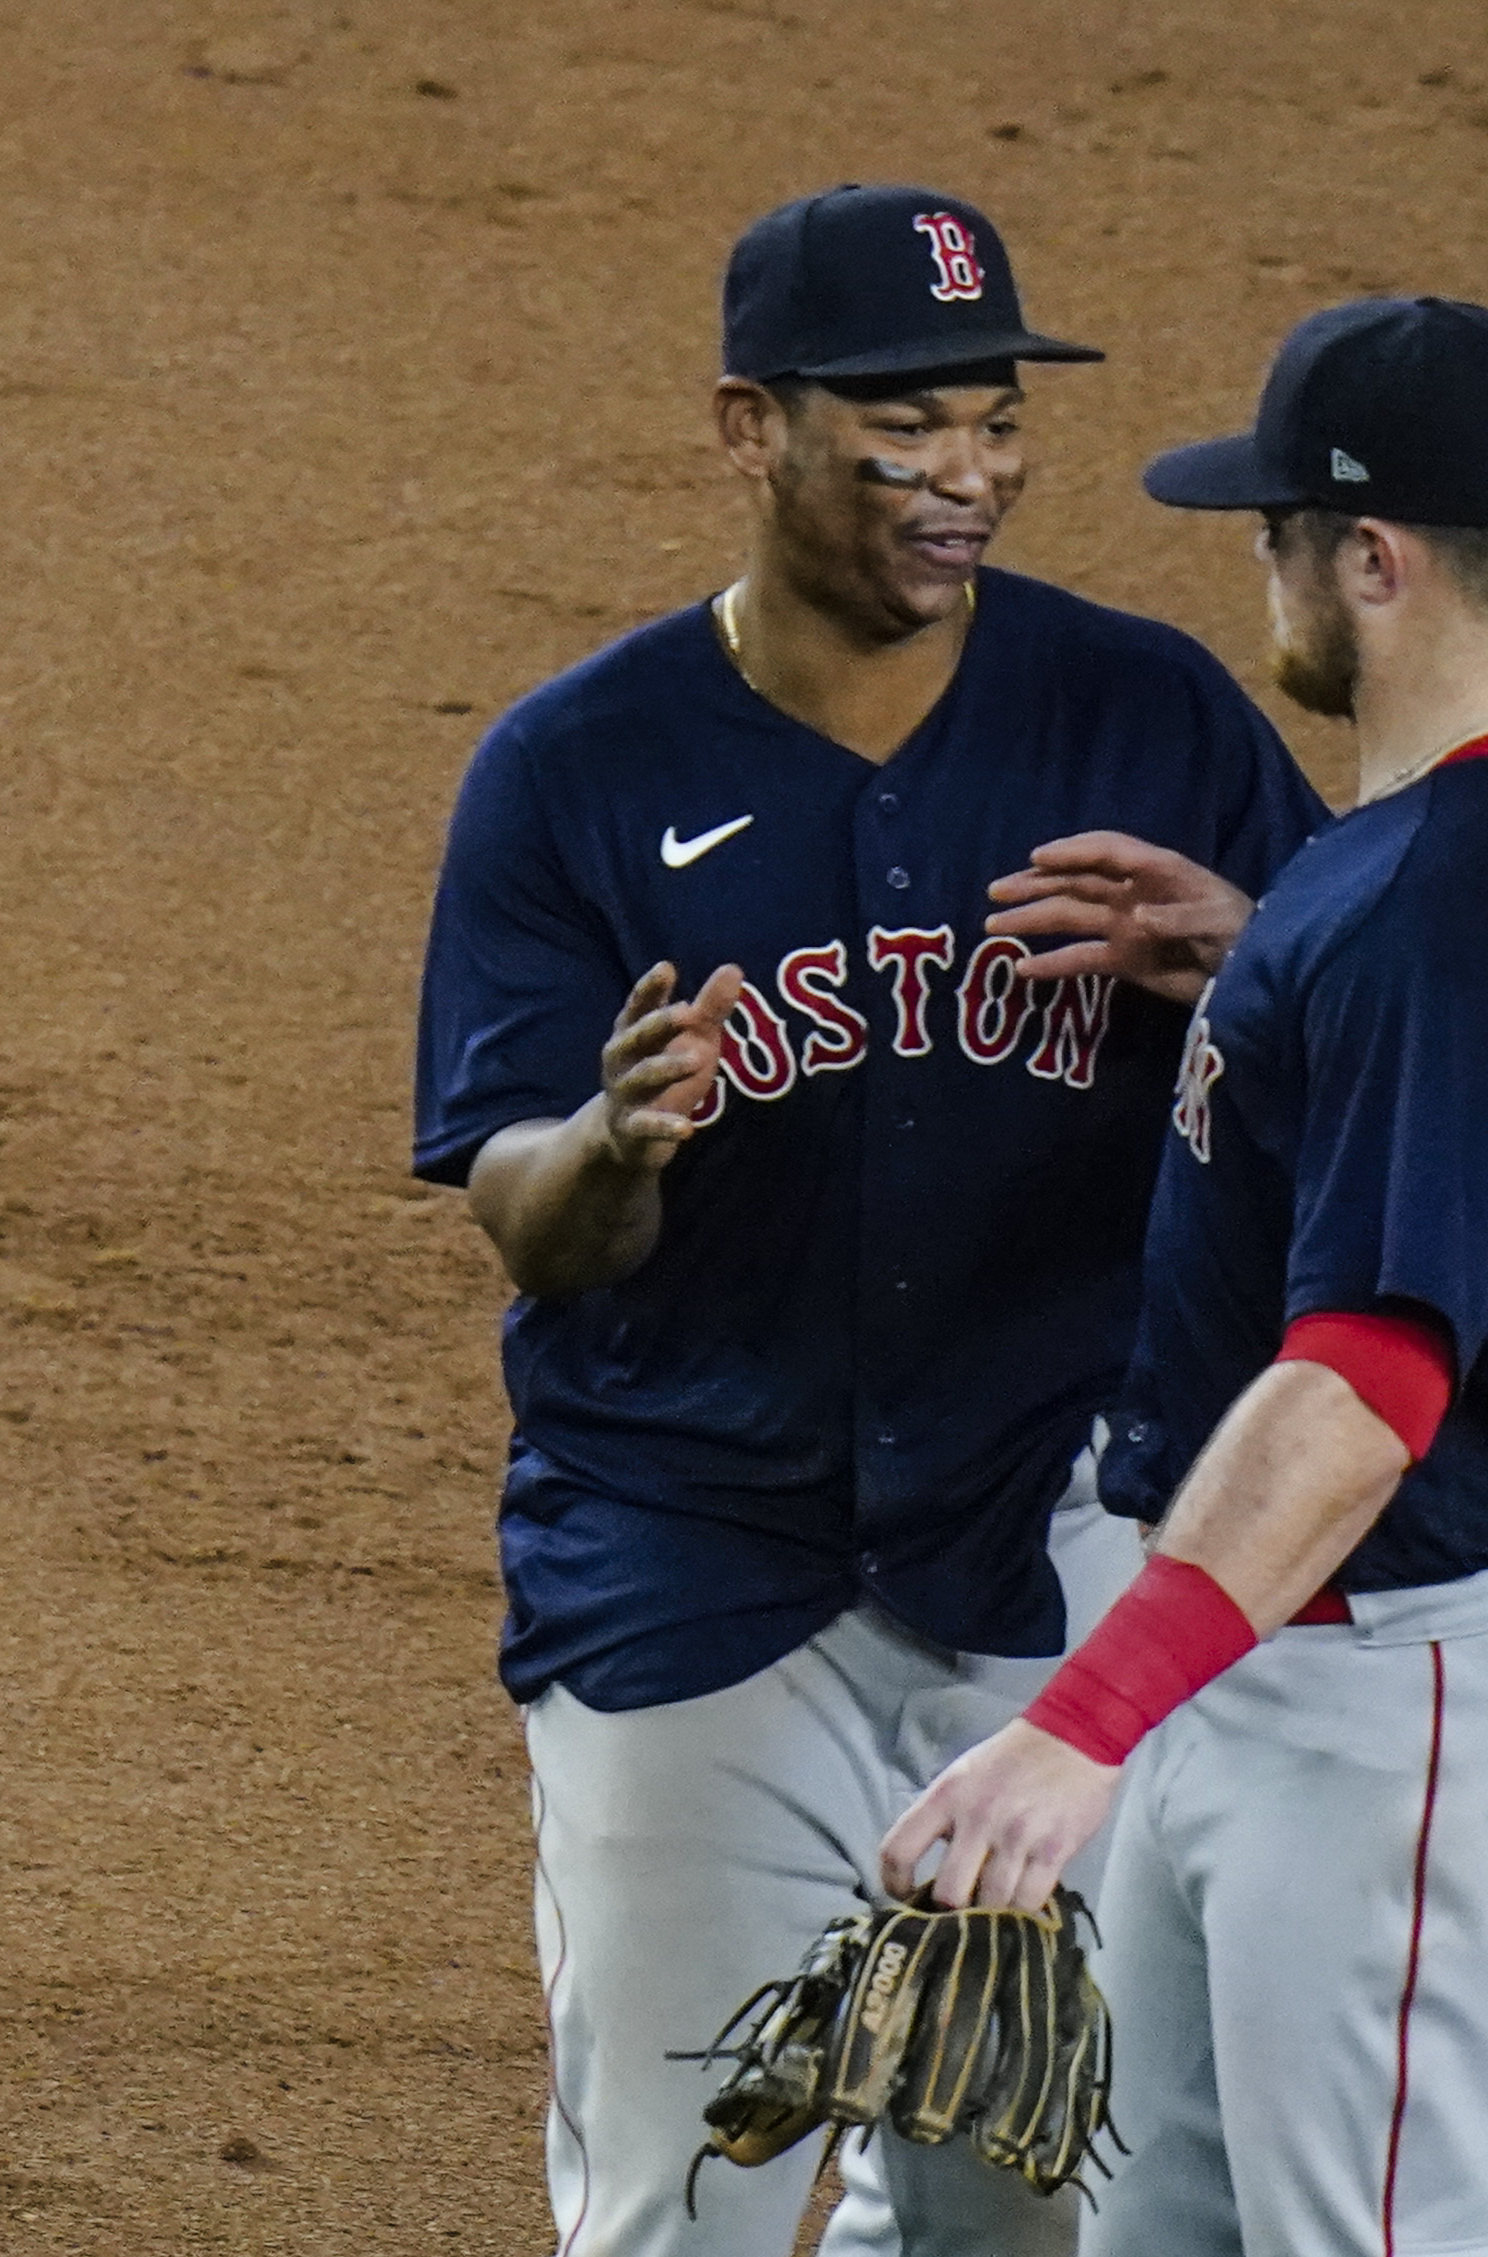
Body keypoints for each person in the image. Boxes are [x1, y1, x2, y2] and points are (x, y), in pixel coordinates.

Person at [411, 185, 1326, 2257]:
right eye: (908, 427)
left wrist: (1257, 958)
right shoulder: (575, 767)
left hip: (1062, 1557)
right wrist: (615, 1148)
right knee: (687, 2211)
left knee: (1025, 2199)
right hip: (693, 1565)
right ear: (753, 430)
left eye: (998, 421)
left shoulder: (1150, 716)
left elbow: (1379, 1067)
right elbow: (524, 1216)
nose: (970, 476)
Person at [880, 297, 1488, 2257]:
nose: (1256, 566)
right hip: (1308, 1677)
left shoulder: (1439, 908)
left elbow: (1367, 1390)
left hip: (1414, 1708)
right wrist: (1280, 983)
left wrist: (1083, 1717)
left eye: (1274, 528)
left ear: (1371, 558)